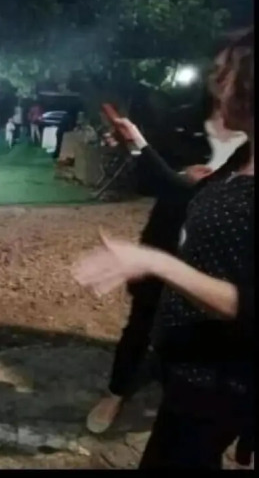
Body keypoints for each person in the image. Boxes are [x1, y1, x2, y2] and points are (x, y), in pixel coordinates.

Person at [73, 27, 254, 469]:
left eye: (226, 73)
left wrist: (157, 262)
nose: (215, 84)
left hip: (221, 375)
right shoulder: (244, 157)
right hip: (189, 360)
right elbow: (184, 192)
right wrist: (139, 144)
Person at [86, 111, 248, 435]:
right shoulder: (185, 117)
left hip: (216, 271)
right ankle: (118, 391)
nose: (222, 87)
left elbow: (241, 305)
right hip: (167, 242)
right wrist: (138, 145)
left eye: (230, 83)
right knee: (143, 321)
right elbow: (159, 182)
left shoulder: (245, 149)